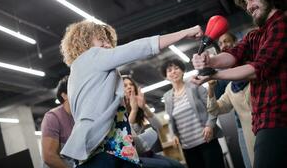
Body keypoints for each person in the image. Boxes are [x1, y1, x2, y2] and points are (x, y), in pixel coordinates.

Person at [59, 20, 203, 168]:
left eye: (108, 40)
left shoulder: (77, 74)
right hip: (104, 155)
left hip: (101, 152)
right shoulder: (92, 56)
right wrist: (184, 32)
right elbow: (139, 48)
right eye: (101, 40)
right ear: (84, 42)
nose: (107, 44)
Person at [192, 0, 287, 168]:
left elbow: (258, 68)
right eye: (246, 3)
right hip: (265, 120)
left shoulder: (281, 25)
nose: (249, 6)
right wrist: (209, 59)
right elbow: (233, 55)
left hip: (280, 117)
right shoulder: (255, 35)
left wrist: (214, 74)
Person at [161, 59, 225, 168]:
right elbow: (171, 120)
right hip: (188, 148)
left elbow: (212, 107)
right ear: (166, 76)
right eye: (169, 70)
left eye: (176, 68)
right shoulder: (167, 97)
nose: (173, 72)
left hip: (207, 142)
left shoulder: (194, 86)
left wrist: (210, 125)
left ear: (183, 71)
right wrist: (174, 135)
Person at [122, 76, 185, 168]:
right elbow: (125, 133)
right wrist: (134, 110)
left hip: (146, 152)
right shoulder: (119, 110)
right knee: (166, 166)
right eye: (125, 85)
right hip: (133, 156)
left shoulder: (139, 105)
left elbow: (158, 125)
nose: (129, 87)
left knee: (178, 165)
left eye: (131, 84)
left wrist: (144, 107)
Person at [214, 32, 254, 168]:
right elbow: (217, 102)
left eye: (226, 41)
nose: (223, 45)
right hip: (242, 125)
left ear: (236, 43)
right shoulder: (222, 75)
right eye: (220, 44)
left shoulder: (249, 61)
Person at [41, 75, 75, 168]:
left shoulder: (80, 116)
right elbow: (49, 156)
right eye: (75, 89)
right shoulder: (53, 117)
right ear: (65, 95)